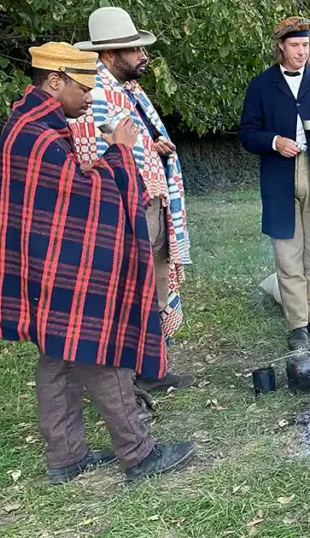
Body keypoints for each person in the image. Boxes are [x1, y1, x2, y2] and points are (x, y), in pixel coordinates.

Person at [0, 42, 195, 484]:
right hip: (62, 266)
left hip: (44, 266)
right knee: (101, 350)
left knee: (57, 355)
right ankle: (139, 455)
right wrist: (120, 151)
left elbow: (66, 190)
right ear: (55, 80)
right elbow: (85, 197)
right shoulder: (37, 135)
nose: (88, 97)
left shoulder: (33, 121)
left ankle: (66, 457)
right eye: (83, 87)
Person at [71, 7, 194, 393]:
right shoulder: (97, 93)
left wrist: (155, 147)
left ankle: (153, 369)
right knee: (132, 292)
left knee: (156, 287)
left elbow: (132, 142)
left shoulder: (130, 92)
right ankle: (128, 379)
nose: (143, 56)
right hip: (127, 210)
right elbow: (92, 154)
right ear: (109, 55)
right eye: (134, 49)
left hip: (151, 205)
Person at [238, 17, 310, 351]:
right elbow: (247, 133)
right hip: (279, 177)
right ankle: (297, 323)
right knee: (288, 254)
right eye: (296, 45)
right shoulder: (261, 85)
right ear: (281, 47)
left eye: (306, 46)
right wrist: (274, 142)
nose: (302, 52)